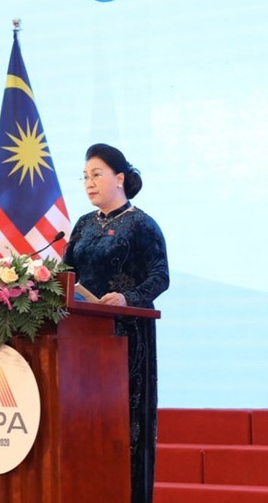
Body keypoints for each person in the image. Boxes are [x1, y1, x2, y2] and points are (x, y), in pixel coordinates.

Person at [63, 143, 169, 503]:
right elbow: (65, 275)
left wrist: (128, 299)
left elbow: (160, 276)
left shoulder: (141, 224)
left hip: (126, 338)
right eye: (85, 177)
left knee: (124, 426)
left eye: (97, 175)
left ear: (120, 178)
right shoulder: (82, 225)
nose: (89, 183)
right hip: (81, 341)